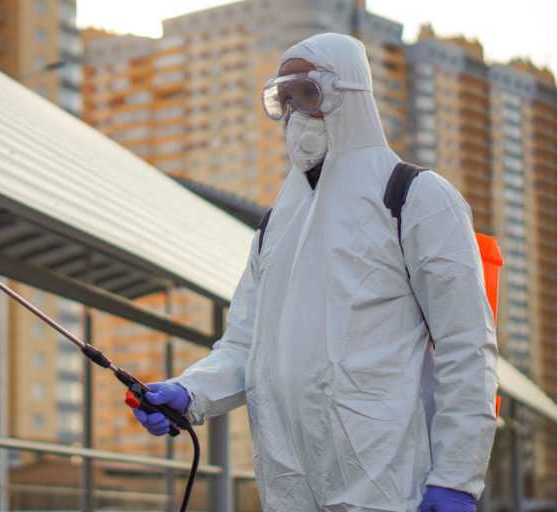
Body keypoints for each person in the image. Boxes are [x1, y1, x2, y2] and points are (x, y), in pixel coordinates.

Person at [130, 33, 498, 511]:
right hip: (289, 485)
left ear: (350, 94)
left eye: (307, 94)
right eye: (282, 101)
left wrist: (456, 476)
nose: (293, 114)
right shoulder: (275, 226)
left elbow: (465, 344)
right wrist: (188, 391)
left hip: (388, 485)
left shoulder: (414, 197)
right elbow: (246, 346)